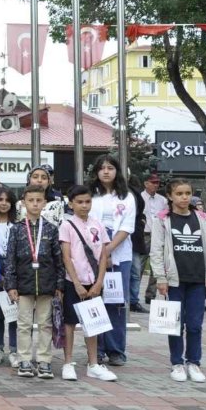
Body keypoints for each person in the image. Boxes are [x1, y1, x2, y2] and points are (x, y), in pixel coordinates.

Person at [151, 178, 206, 383]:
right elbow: (156, 251)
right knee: (175, 324)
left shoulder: (200, 218)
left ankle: (194, 362)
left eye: (187, 193)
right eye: (179, 194)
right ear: (170, 196)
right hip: (174, 280)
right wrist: (160, 277)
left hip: (197, 279)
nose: (184, 197)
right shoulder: (162, 220)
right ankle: (177, 362)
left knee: (195, 324)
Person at [58, 185, 117, 382]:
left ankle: (93, 363)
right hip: (73, 282)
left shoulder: (98, 224)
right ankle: (68, 362)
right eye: (80, 202)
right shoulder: (67, 225)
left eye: (87, 202)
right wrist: (75, 283)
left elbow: (102, 255)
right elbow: (66, 257)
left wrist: (100, 281)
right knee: (70, 323)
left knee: (93, 323)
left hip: (94, 283)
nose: (84, 206)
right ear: (71, 204)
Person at [5, 185, 63, 379]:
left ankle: (44, 361)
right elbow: (10, 259)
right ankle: (24, 359)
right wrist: (11, 285)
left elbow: (58, 260)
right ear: (23, 203)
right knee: (24, 324)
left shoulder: (52, 229)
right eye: (31, 200)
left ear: (45, 203)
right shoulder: (16, 229)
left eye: (39, 200)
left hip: (47, 284)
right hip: (23, 284)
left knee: (46, 324)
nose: (35, 204)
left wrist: (59, 285)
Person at [89, 154, 136, 367]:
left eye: (110, 167)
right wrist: (99, 252)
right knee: (95, 301)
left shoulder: (127, 197)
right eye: (102, 168)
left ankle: (116, 350)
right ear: (96, 172)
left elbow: (127, 227)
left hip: (120, 256)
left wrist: (108, 251)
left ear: (117, 171)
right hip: (92, 255)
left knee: (116, 304)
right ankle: (96, 350)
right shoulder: (90, 195)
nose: (106, 171)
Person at [0, 186, 18, 367]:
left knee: (13, 311)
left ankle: (14, 350)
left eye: (7, 200)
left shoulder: (17, 225)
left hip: (14, 268)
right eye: (0, 200)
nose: (4, 203)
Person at [137, 173, 167, 307]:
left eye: (157, 183)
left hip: (159, 234)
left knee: (156, 265)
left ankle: (151, 294)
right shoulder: (139, 197)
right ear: (146, 183)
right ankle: (134, 295)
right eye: (153, 182)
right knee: (139, 266)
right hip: (144, 234)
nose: (156, 185)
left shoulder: (162, 200)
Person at [127, 175, 148, 313]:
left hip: (133, 237)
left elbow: (140, 211)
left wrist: (141, 222)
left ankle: (133, 301)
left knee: (135, 271)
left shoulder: (134, 192)